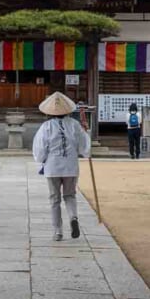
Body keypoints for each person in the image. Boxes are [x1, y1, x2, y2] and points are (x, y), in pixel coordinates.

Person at [33, 91, 91, 241]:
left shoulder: (46, 127)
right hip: (71, 166)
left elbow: (40, 150)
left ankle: (58, 231)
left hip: (53, 167)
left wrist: (42, 160)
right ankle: (73, 217)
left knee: (54, 199)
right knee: (70, 195)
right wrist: (86, 151)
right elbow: (84, 145)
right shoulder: (74, 125)